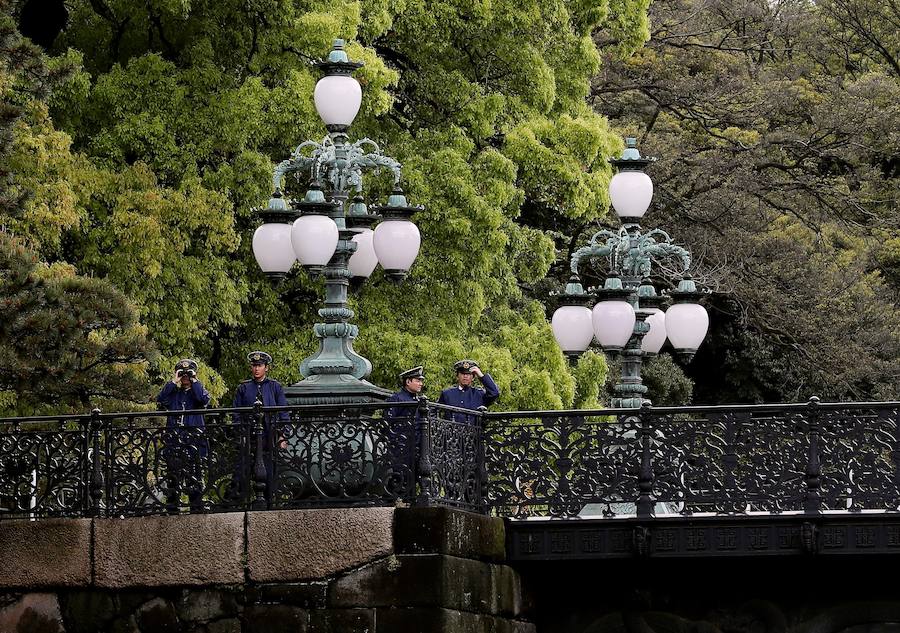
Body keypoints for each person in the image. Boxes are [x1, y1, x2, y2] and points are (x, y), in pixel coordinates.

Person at [229, 351, 289, 503]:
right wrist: (240, 433)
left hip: (269, 436)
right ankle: (236, 505)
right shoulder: (244, 388)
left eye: (260, 366)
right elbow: (236, 413)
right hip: (249, 436)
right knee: (241, 472)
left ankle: (269, 503)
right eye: (254, 366)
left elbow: (283, 412)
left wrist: (283, 435)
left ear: (266, 368)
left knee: (269, 473)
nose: (256, 369)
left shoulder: (275, 387)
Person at [156, 359, 210, 513]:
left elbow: (203, 399)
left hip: (194, 442)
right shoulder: (173, 394)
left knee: (195, 477)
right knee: (173, 477)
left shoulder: (198, 392)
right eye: (183, 374)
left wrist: (195, 380)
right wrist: (174, 380)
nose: (185, 376)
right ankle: (172, 509)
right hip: (175, 442)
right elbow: (161, 400)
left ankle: (196, 508)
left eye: (188, 374)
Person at [384, 366, 426, 491]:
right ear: (408, 382)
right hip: (400, 447)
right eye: (417, 380)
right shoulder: (396, 398)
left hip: (416, 445)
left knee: (413, 478)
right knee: (399, 477)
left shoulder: (419, 400)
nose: (420, 384)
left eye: (421, 381)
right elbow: (388, 423)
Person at [437, 359, 500, 423]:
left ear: (473, 377)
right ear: (457, 376)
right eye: (462, 374)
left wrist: (481, 375)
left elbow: (494, 393)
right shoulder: (447, 394)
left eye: (469, 374)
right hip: (450, 432)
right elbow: (434, 412)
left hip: (473, 432)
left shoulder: (479, 394)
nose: (465, 376)